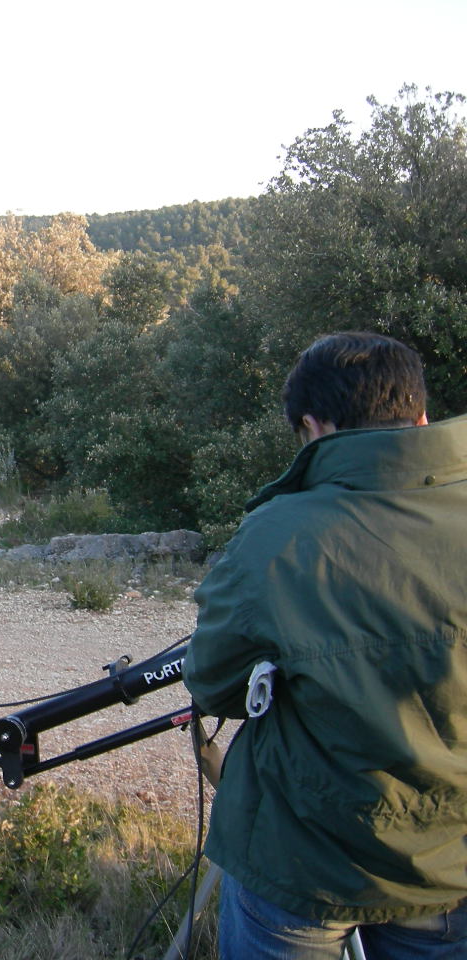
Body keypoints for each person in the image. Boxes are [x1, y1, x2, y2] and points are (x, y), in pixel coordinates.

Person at [182, 331, 467, 959]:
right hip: (453, 867)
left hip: (301, 867)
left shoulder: (274, 536)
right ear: (421, 414)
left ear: (312, 427)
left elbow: (212, 682)